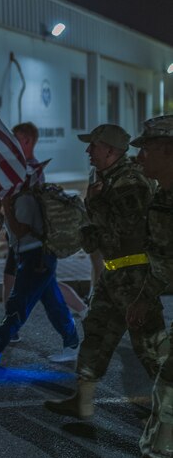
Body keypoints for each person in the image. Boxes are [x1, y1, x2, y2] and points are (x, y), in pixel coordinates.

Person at [44, 123, 167, 420]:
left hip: (134, 277)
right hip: (114, 275)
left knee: (151, 349)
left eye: (94, 146)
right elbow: (94, 239)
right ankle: (82, 401)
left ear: (111, 151)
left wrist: (94, 205)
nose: (88, 151)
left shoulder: (130, 183)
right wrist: (94, 210)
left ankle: (169, 415)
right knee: (95, 335)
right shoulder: (106, 180)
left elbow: (125, 234)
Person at [93, 116, 173, 458]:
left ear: (170, 152)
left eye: (147, 149)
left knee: (169, 385)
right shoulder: (164, 196)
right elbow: (162, 259)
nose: (139, 157)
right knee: (168, 384)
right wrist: (142, 297)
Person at [0, 121, 88, 356]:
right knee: (49, 297)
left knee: (21, 296)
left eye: (15, 138)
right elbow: (17, 211)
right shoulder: (21, 171)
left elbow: (25, 216)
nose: (11, 144)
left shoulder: (31, 173)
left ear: (27, 141)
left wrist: (5, 211)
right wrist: (0, 223)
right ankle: (71, 340)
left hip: (34, 247)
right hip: (26, 246)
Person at [0, 175, 80, 366]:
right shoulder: (19, 199)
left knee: (18, 302)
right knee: (55, 305)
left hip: (36, 258)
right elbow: (15, 228)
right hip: (34, 256)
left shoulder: (25, 199)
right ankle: (72, 344)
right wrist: (2, 214)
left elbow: (21, 231)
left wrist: (7, 207)